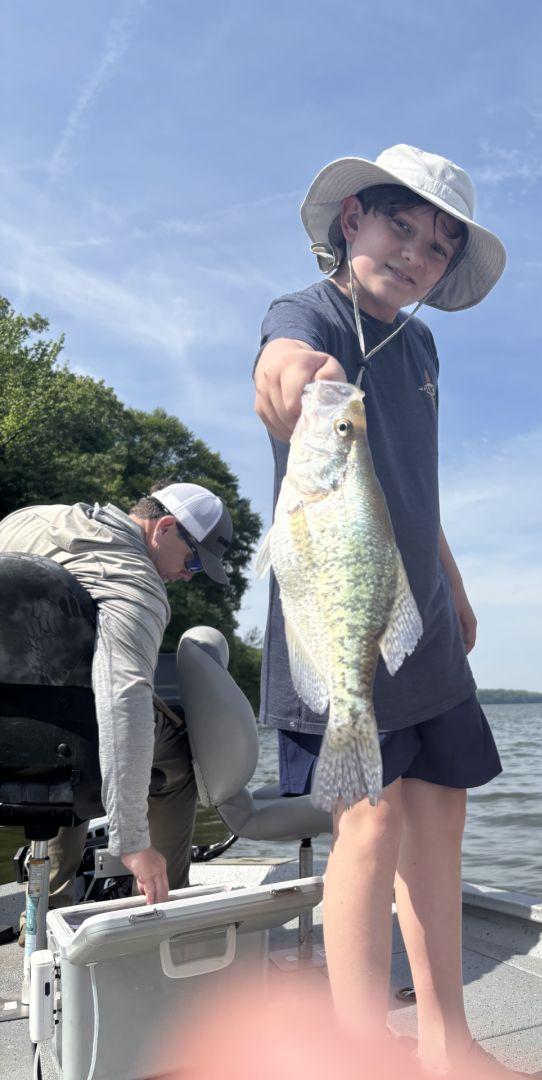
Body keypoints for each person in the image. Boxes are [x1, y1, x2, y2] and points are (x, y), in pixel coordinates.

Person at [252, 145, 515, 1077]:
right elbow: (279, 372)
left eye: (439, 246)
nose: (414, 253)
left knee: (441, 812)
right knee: (367, 819)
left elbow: (413, 487)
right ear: (353, 217)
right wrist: (291, 379)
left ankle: (450, 1038)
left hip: (423, 614)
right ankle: (361, 1051)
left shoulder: (425, 346)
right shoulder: (309, 310)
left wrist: (455, 584)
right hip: (335, 605)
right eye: (401, 225)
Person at [0, 482, 233, 909]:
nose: (188, 574)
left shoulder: (26, 519)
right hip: (58, 742)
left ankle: (52, 901)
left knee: (72, 718)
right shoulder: (136, 584)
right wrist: (133, 842)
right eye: (194, 559)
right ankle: (162, 902)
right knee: (178, 752)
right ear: (163, 528)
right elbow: (123, 700)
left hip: (10, 738)